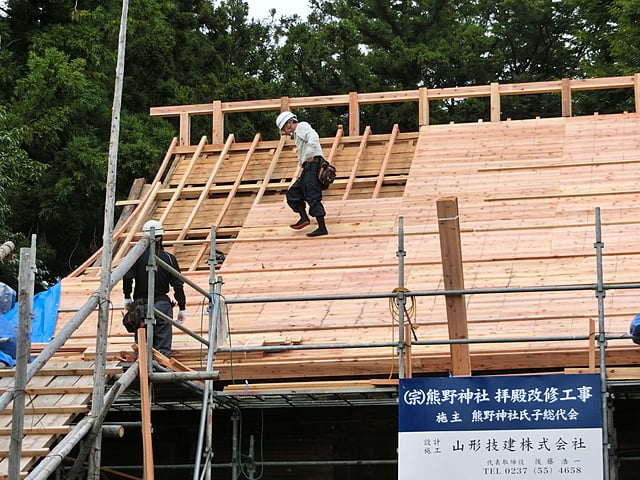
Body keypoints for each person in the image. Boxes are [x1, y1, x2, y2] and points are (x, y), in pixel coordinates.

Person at [122, 220, 187, 357]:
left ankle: (144, 369)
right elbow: (178, 285)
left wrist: (127, 297)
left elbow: (127, 277)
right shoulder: (169, 258)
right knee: (162, 346)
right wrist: (182, 307)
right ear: (161, 236)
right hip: (162, 305)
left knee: (142, 343)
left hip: (140, 305)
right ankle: (161, 368)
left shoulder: (136, 257)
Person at [276, 110, 328, 237]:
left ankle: (322, 228)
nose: (284, 132)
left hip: (313, 165)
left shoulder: (302, 126)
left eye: (284, 128)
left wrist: (309, 155)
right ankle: (304, 218)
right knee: (293, 193)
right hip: (308, 167)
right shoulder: (297, 133)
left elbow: (314, 137)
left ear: (289, 123)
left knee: (312, 194)